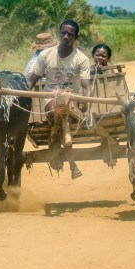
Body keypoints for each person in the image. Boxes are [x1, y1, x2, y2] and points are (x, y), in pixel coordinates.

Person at [27, 19, 91, 179]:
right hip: (50, 100)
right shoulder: (45, 55)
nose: (66, 36)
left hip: (72, 101)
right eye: (63, 33)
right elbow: (32, 81)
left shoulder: (81, 59)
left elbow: (86, 86)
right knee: (58, 104)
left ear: (75, 38)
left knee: (64, 104)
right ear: (59, 33)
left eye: (70, 34)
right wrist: (17, 95)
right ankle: (72, 163)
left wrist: (87, 108)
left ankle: (56, 144)